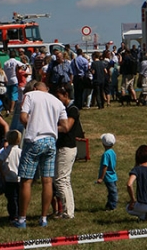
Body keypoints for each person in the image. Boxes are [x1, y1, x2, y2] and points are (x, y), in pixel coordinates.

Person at [14, 82, 69, 229]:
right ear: (47, 89)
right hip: (51, 141)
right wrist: (50, 127)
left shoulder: (30, 96)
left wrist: (32, 127)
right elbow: (65, 126)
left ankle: (22, 219)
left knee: (26, 180)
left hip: (34, 139)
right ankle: (43, 218)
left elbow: (23, 117)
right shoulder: (57, 102)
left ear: (34, 88)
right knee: (47, 181)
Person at [54, 87, 82, 219]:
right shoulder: (65, 109)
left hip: (67, 147)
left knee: (60, 180)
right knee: (64, 180)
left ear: (66, 95)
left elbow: (66, 127)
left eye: (59, 97)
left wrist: (49, 127)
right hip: (64, 147)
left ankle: (68, 212)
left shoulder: (72, 110)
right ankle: (68, 210)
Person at [0, 130, 22, 223]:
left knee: (11, 198)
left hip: (8, 178)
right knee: (19, 198)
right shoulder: (20, 151)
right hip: (19, 178)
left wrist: (2, 173)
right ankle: (20, 214)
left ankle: (13, 215)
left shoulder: (5, 151)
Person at [96, 133, 118, 210]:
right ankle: (109, 204)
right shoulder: (113, 152)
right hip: (113, 175)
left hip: (108, 177)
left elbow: (105, 166)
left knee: (113, 192)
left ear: (103, 143)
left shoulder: (106, 154)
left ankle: (112, 206)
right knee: (111, 191)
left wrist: (101, 178)